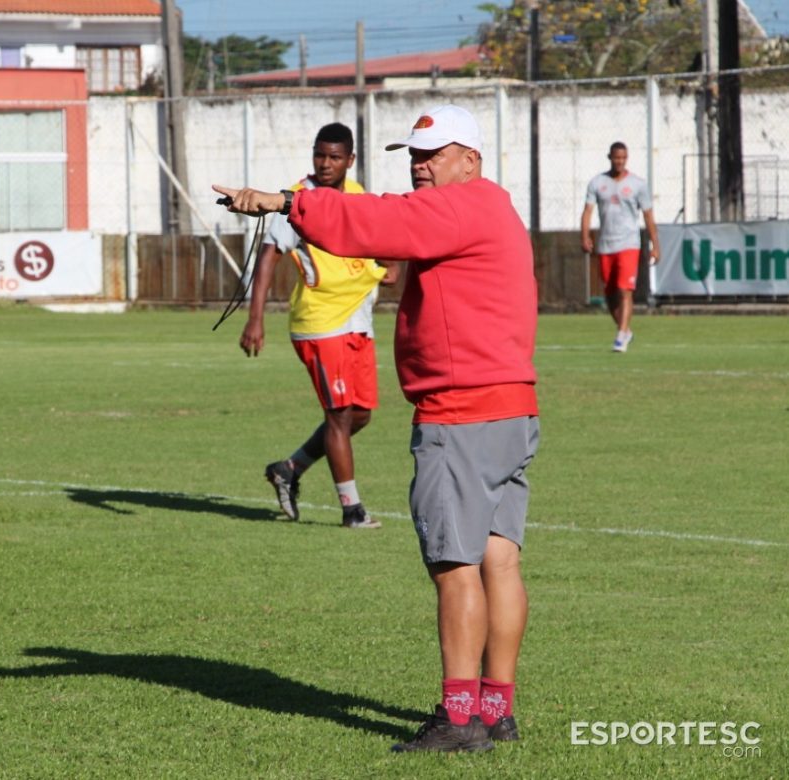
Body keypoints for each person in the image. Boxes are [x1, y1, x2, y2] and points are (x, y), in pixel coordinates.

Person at [214, 104, 539, 754]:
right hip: (513, 410)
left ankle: (459, 718)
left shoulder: (457, 206)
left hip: (461, 414)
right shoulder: (491, 205)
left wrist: (287, 201)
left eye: (433, 153)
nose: (420, 165)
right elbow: (388, 228)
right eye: (413, 155)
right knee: (500, 558)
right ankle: (496, 710)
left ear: (468, 160)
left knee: (455, 566)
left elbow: (376, 220)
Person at [242, 122, 398, 530]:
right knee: (339, 416)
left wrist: (389, 265)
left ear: (350, 160)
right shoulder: (295, 200)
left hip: (358, 321)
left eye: (334, 157)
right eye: (319, 155)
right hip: (320, 323)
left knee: (360, 415)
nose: (325, 164)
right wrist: (255, 318)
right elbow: (269, 257)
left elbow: (381, 236)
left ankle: (289, 468)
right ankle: (352, 509)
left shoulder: (360, 196)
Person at [580, 142, 660, 352]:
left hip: (629, 243)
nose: (620, 162)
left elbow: (648, 215)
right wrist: (585, 235)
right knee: (609, 293)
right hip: (606, 244)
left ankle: (621, 336)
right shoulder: (597, 183)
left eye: (623, 158)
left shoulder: (637, 184)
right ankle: (625, 330)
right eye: (617, 158)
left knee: (625, 290)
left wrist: (655, 245)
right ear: (610, 157)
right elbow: (587, 211)